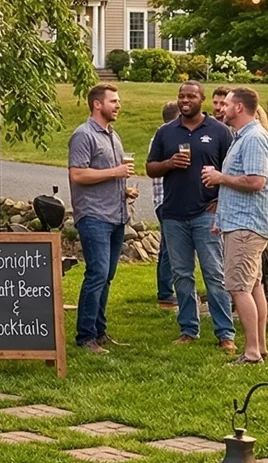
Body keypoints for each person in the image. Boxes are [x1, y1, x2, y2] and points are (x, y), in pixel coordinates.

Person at [147, 81, 237, 351]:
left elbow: (231, 170)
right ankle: (188, 329)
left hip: (205, 213)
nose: (185, 100)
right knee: (182, 275)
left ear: (202, 99)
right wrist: (169, 163)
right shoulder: (166, 132)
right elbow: (150, 168)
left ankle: (225, 333)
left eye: (191, 96)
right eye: (181, 96)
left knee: (214, 273)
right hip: (174, 214)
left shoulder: (219, 131)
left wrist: (220, 200)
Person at [202, 86, 268, 365]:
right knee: (253, 285)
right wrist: (223, 219)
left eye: (227, 103)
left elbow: (256, 181)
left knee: (238, 288)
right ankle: (261, 347)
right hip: (240, 223)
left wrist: (219, 177)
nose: (222, 108)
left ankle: (252, 352)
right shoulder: (242, 136)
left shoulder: (254, 138)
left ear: (239, 107)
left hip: (247, 226)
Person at [68, 83, 132, 353]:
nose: (118, 105)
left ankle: (99, 332)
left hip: (116, 215)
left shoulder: (112, 136)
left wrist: (124, 189)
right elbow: (77, 174)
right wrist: (116, 173)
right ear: (97, 104)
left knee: (106, 276)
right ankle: (85, 337)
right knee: (96, 274)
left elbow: (105, 175)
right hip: (94, 216)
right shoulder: (83, 135)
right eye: (113, 101)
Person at [154, 100, 180, 309]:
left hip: (161, 200)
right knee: (170, 249)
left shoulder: (161, 135)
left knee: (167, 247)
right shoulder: (166, 137)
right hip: (167, 200)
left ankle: (166, 289)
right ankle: (165, 292)